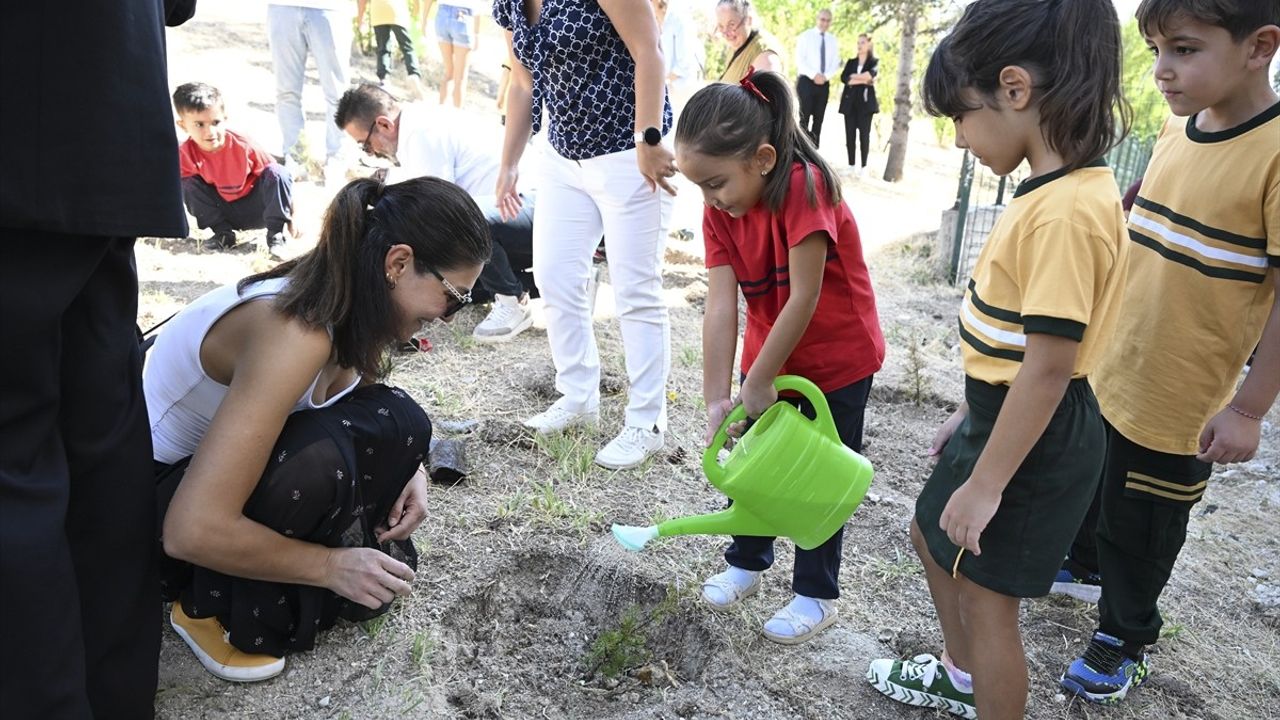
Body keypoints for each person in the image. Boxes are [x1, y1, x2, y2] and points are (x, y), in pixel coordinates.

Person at [866, 0, 1132, 717]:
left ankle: (985, 684)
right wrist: (970, 409)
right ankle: (962, 677)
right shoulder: (1049, 190)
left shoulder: (1070, 212)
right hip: (1002, 411)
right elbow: (1020, 346)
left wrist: (987, 485)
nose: (959, 139)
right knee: (929, 530)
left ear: (1015, 89)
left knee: (990, 607)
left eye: (961, 114)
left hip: (1038, 438)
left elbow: (1050, 367)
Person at [149, 177, 490, 682]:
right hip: (155, 499)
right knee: (319, 460)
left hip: (210, 476)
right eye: (454, 297)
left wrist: (407, 469)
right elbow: (189, 529)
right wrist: (329, 568)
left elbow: (362, 401)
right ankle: (205, 606)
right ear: (397, 264)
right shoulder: (295, 333)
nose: (448, 318)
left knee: (400, 423)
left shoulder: (353, 300)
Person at [1056, 0, 1279, 705]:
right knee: (1098, 478)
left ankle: (1125, 636)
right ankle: (1083, 565)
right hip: (1121, 356)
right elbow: (1148, 205)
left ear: (1259, 46)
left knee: (1144, 521)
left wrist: (1248, 407)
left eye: (1183, 49)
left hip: (1184, 389)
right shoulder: (1179, 125)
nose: (1161, 71)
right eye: (1155, 50)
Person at [0, 0, 194, 717]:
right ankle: (115, 698)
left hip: (22, 132)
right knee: (101, 442)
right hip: (111, 127)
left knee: (16, 464)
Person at [676, 69, 884, 645]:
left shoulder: (804, 185)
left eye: (716, 182)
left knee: (819, 478)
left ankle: (816, 594)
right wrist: (720, 394)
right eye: (700, 187)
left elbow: (807, 294)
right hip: (770, 354)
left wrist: (760, 378)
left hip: (837, 359)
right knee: (754, 466)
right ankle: (746, 561)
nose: (710, 199)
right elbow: (721, 305)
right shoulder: (720, 210)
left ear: (763, 159)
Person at [494, 0, 677, 470]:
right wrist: (509, 164)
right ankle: (578, 396)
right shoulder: (510, 3)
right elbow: (522, 83)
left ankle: (646, 423)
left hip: (627, 152)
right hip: (562, 157)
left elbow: (649, 50)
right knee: (554, 277)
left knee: (635, 291)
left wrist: (648, 139)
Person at [335, 83, 537, 342]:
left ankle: (512, 302)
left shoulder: (420, 133)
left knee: (464, 224)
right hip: (514, 214)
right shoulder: (416, 124)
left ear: (384, 124)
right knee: (457, 289)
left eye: (365, 144)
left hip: (531, 206)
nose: (371, 152)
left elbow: (437, 209)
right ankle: (560, 283)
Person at [174, 82, 294, 254]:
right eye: (199, 124)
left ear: (225, 118)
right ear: (183, 125)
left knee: (277, 171)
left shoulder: (243, 144)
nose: (210, 132)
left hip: (258, 210)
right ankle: (223, 234)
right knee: (186, 183)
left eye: (215, 122)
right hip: (225, 212)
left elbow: (281, 180)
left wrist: (293, 218)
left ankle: (275, 236)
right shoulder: (185, 153)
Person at [267, 0, 353, 185]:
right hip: (283, 7)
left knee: (337, 93)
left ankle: (337, 158)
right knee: (286, 91)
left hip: (330, 8)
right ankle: (297, 157)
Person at [357, 0, 427, 100]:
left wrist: (360, 17)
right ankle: (413, 73)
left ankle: (384, 78)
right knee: (407, 47)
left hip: (378, 11)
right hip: (397, 10)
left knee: (383, 47)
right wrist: (417, 10)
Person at [423, 0, 481, 108]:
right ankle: (456, 116)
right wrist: (476, 34)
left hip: (442, 15)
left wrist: (424, 20)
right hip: (463, 15)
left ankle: (441, 109)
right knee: (460, 78)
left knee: (449, 72)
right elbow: (479, 6)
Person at [794, 9, 839, 147]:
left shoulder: (833, 40)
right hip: (806, 81)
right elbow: (800, 60)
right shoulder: (805, 36)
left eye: (828, 20)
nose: (824, 23)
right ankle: (801, 149)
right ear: (817, 19)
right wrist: (814, 75)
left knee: (819, 119)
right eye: (822, 19)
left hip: (824, 83)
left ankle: (814, 150)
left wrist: (825, 77)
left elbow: (835, 63)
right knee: (804, 117)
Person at [653, 0, 704, 116]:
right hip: (669, 89)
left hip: (683, 90)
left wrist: (659, 81)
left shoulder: (678, 19)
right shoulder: (657, 21)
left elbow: (684, 63)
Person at [838, 34, 879, 177]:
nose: (859, 45)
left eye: (862, 42)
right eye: (858, 43)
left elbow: (870, 76)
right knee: (849, 135)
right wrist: (862, 79)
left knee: (864, 136)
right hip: (850, 104)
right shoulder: (851, 62)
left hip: (866, 105)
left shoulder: (874, 61)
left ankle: (863, 167)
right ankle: (851, 165)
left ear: (869, 44)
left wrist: (854, 77)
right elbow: (844, 78)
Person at [714, 0, 781, 84]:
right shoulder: (735, 46)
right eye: (721, 26)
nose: (726, 33)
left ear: (748, 20)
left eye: (731, 24)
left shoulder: (765, 56)